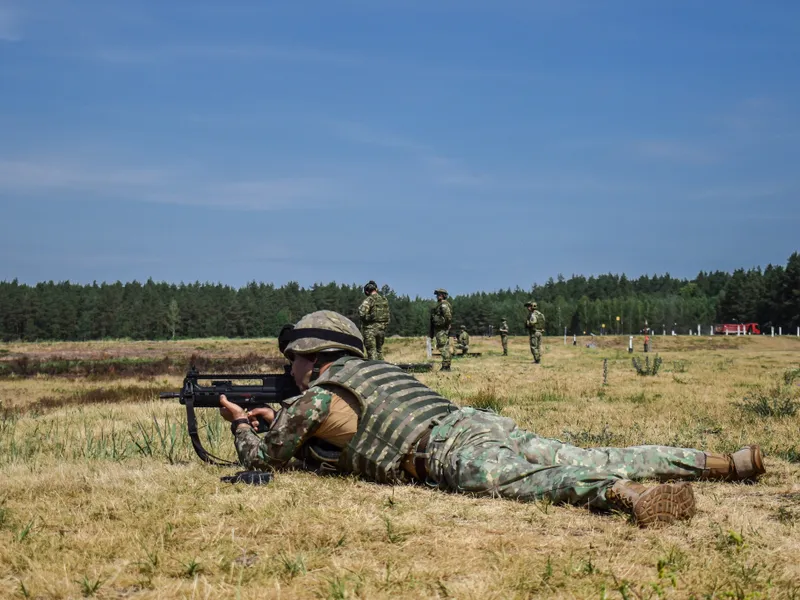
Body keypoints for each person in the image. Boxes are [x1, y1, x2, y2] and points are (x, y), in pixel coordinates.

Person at [220, 310, 766, 528]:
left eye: (293, 360)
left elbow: (265, 459)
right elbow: (342, 426)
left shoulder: (315, 396)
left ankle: (625, 495)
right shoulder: (376, 371)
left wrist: (242, 423)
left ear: (313, 356)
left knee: (534, 483)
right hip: (474, 422)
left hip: (444, 452)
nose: (289, 370)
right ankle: (723, 462)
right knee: (587, 452)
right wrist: (281, 412)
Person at [357, 280, 390, 360]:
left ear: (367, 291)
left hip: (370, 330)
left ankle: (375, 369)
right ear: (376, 289)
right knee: (379, 351)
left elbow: (361, 313)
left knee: (372, 352)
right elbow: (388, 316)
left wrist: (369, 318)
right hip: (382, 329)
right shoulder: (384, 299)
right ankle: (383, 368)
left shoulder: (369, 300)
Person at [430, 288, 453, 371]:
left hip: (442, 329)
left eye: (440, 294)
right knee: (444, 347)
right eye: (437, 294)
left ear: (444, 295)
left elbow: (448, 317)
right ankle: (446, 365)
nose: (438, 296)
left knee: (442, 347)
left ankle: (446, 366)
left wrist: (446, 326)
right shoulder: (439, 304)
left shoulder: (444, 304)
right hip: (440, 329)